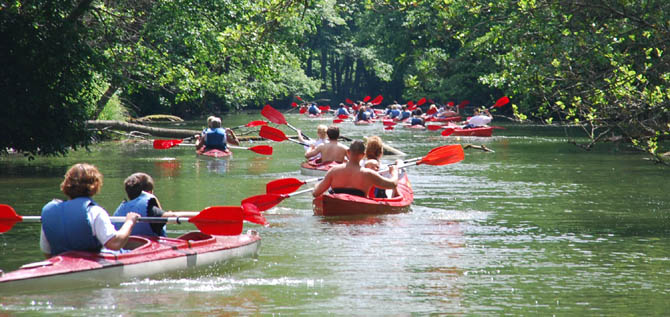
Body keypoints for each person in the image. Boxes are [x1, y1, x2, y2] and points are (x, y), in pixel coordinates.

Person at [40, 163, 140, 257]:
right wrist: (130, 221)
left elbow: (47, 252)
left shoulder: (50, 211)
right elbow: (115, 243)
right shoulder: (95, 211)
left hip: (60, 263)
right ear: (95, 186)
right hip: (90, 263)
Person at [113, 173, 197, 237]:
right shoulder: (150, 208)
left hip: (124, 249)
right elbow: (173, 216)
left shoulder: (120, 210)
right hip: (145, 252)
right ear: (149, 193)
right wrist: (200, 214)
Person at [312, 140, 401, 198]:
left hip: (337, 212)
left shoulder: (333, 171)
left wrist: (317, 184)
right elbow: (392, 184)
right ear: (363, 155)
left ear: (348, 152)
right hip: (359, 214)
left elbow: (315, 193)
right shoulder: (368, 174)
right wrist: (394, 172)